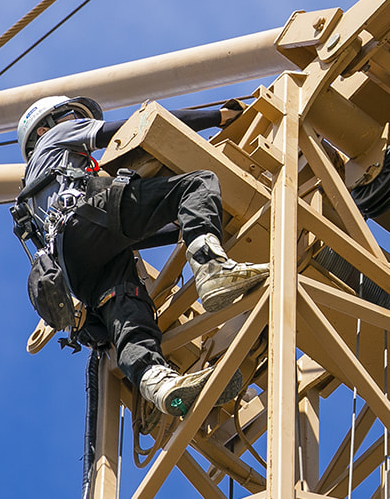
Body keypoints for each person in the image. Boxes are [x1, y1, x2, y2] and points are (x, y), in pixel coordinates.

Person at [15, 95, 269, 417]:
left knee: (127, 310)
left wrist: (177, 225)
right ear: (43, 130)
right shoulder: (55, 138)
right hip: (86, 218)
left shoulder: (31, 191)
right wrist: (219, 116)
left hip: (77, 267)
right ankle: (211, 269)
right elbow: (136, 126)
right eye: (70, 115)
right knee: (197, 185)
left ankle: (157, 384)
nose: (75, 120)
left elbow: (123, 230)